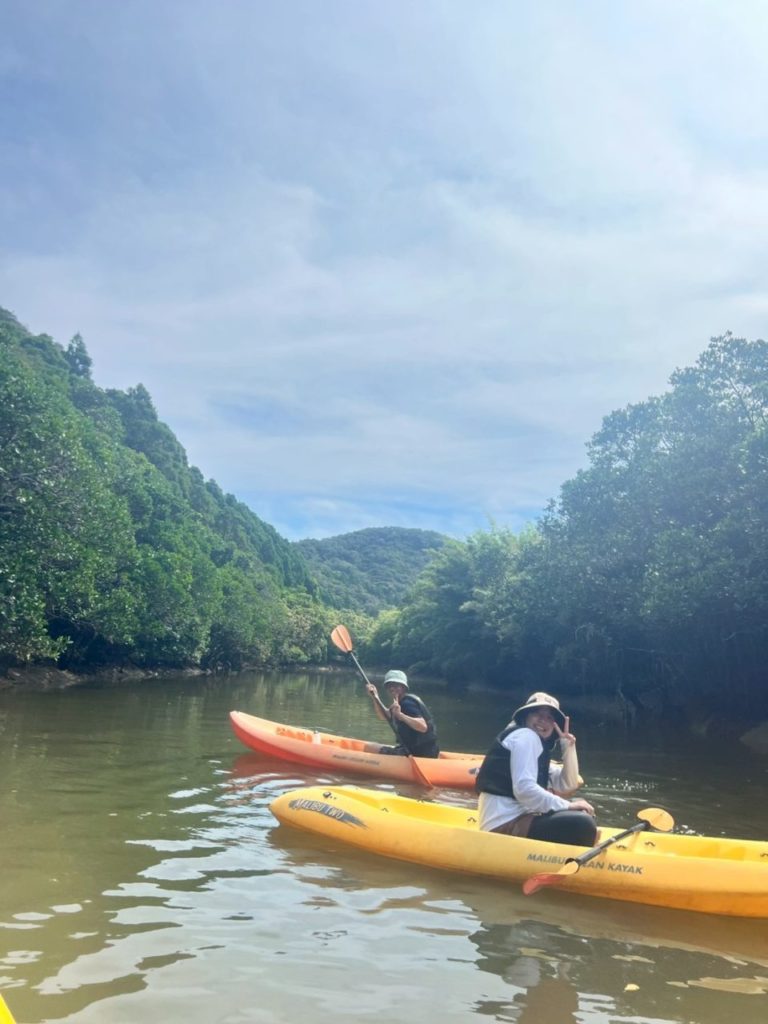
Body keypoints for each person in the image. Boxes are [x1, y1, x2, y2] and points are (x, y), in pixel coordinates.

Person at [475, 691, 596, 845]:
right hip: (503, 826)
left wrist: (567, 746)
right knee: (582, 823)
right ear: (526, 716)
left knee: (582, 808)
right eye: (537, 714)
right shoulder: (526, 736)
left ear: (554, 725)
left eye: (549, 717)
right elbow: (524, 789)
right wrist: (568, 806)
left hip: (521, 820)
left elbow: (568, 784)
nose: (543, 721)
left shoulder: (534, 745)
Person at [365, 669, 440, 758]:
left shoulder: (407, 703)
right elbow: (384, 716)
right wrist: (375, 697)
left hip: (418, 755)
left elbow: (423, 727)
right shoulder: (400, 703)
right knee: (372, 746)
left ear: (403, 687)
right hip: (420, 751)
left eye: (396, 685)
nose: (392, 688)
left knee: (369, 747)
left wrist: (401, 715)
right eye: (389, 685)